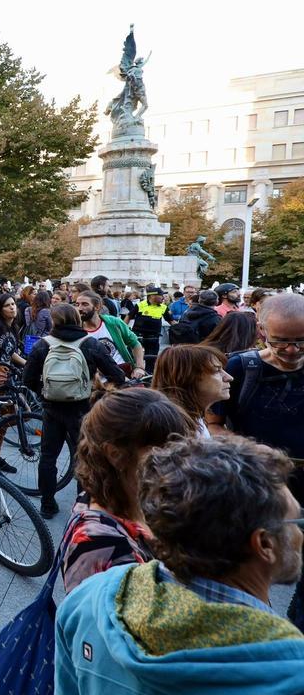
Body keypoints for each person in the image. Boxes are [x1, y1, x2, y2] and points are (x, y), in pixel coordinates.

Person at [55, 435, 304, 695]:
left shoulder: (86, 600)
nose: (301, 534)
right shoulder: (293, 673)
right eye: (297, 522)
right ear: (264, 544)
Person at [206, 292, 304, 627]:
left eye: (301, 342)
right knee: (250, 571)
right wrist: (252, 450)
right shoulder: (241, 367)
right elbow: (214, 426)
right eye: (281, 342)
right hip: (259, 486)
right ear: (262, 331)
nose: (292, 350)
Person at [60, 389, 192, 594]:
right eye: (163, 451)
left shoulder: (140, 500)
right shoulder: (100, 544)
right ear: (115, 455)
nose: (180, 462)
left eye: (181, 450)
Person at [24, 304, 126, 518]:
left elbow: (28, 379)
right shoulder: (90, 344)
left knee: (48, 456)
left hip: (52, 408)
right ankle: (82, 505)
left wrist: (45, 393)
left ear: (55, 321)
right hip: (82, 408)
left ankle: (47, 504)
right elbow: (117, 376)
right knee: (85, 458)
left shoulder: (44, 345)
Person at [152, 344, 231, 439]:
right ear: (188, 378)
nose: (229, 378)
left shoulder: (192, 418)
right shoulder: (174, 429)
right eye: (217, 371)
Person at [73, 291, 145, 377]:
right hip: (94, 380)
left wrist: (139, 367)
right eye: (77, 304)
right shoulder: (76, 330)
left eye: (85, 304)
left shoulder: (113, 322)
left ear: (97, 307)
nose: (79, 308)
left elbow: (135, 344)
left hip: (123, 374)